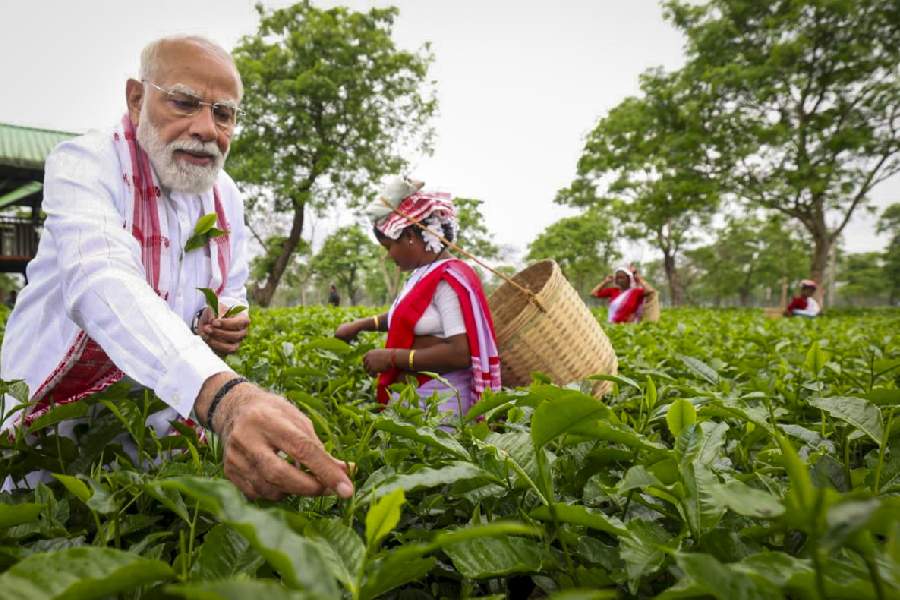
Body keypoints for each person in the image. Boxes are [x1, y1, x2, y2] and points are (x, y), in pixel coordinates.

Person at [0, 35, 352, 501]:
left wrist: (228, 318)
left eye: (223, 113)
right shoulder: (87, 164)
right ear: (136, 98)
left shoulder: (225, 194)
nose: (207, 128)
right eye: (185, 103)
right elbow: (101, 279)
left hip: (164, 426)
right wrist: (227, 400)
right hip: (58, 433)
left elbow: (232, 288)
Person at [335, 176, 500, 416]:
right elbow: (405, 316)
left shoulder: (447, 279)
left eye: (389, 247)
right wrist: (359, 326)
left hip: (442, 404)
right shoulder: (423, 274)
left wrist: (392, 357)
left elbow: (460, 353)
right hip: (419, 398)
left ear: (411, 235)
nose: (389, 256)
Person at [591, 266, 655, 323]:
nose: (619, 280)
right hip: (613, 325)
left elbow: (650, 291)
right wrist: (605, 282)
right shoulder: (613, 291)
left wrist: (639, 279)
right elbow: (593, 293)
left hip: (630, 327)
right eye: (617, 278)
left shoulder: (636, 292)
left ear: (629, 279)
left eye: (622, 277)